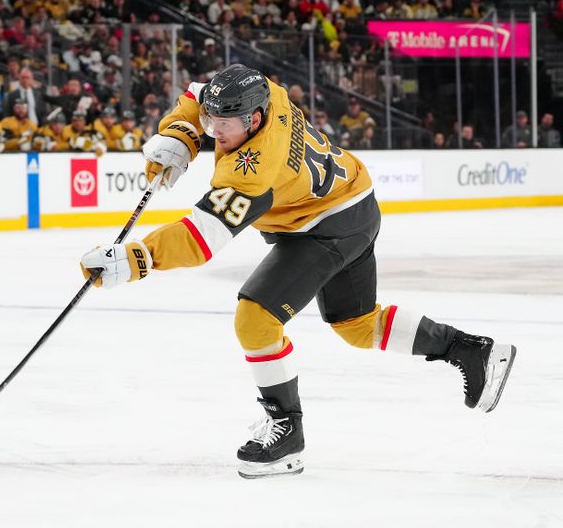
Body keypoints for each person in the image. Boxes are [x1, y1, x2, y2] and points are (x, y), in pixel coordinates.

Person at [79, 64, 517, 479]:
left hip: (326, 228)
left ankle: (287, 433)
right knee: (358, 325)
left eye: (223, 126)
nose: (215, 131)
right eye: (212, 123)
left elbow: (199, 240)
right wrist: (182, 134)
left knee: (256, 318)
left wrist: (135, 259)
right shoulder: (265, 91)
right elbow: (199, 95)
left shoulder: (253, 170)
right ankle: (472, 350)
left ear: (253, 121)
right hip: (353, 203)